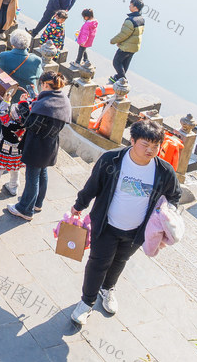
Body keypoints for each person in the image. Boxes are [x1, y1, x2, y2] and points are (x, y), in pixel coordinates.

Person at [68, 119, 182, 327]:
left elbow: (175, 195)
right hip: (106, 225)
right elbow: (93, 185)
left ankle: (107, 289)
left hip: (137, 231)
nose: (150, 150)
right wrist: (79, 204)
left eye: (155, 146)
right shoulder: (112, 160)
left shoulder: (164, 171)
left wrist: (167, 214)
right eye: (145, 144)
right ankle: (87, 302)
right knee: (97, 263)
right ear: (132, 140)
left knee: (120, 261)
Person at [6, 71, 72, 220]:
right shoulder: (63, 101)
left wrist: (23, 104)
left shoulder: (45, 105)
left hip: (37, 145)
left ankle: (25, 209)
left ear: (45, 84)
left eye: (41, 84)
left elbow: (29, 124)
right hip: (51, 144)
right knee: (42, 173)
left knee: (32, 177)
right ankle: (36, 203)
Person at [0, 30, 43, 99]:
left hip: (8, 93)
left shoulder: (4, 56)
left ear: (12, 44)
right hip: (27, 96)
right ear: (28, 44)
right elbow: (39, 75)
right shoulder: (36, 60)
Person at [108, 0, 144, 83]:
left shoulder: (130, 20)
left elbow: (123, 34)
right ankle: (118, 78)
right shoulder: (141, 19)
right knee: (124, 64)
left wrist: (113, 41)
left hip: (126, 47)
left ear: (135, 7)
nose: (129, 6)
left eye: (131, 5)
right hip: (134, 47)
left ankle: (123, 82)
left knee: (116, 62)